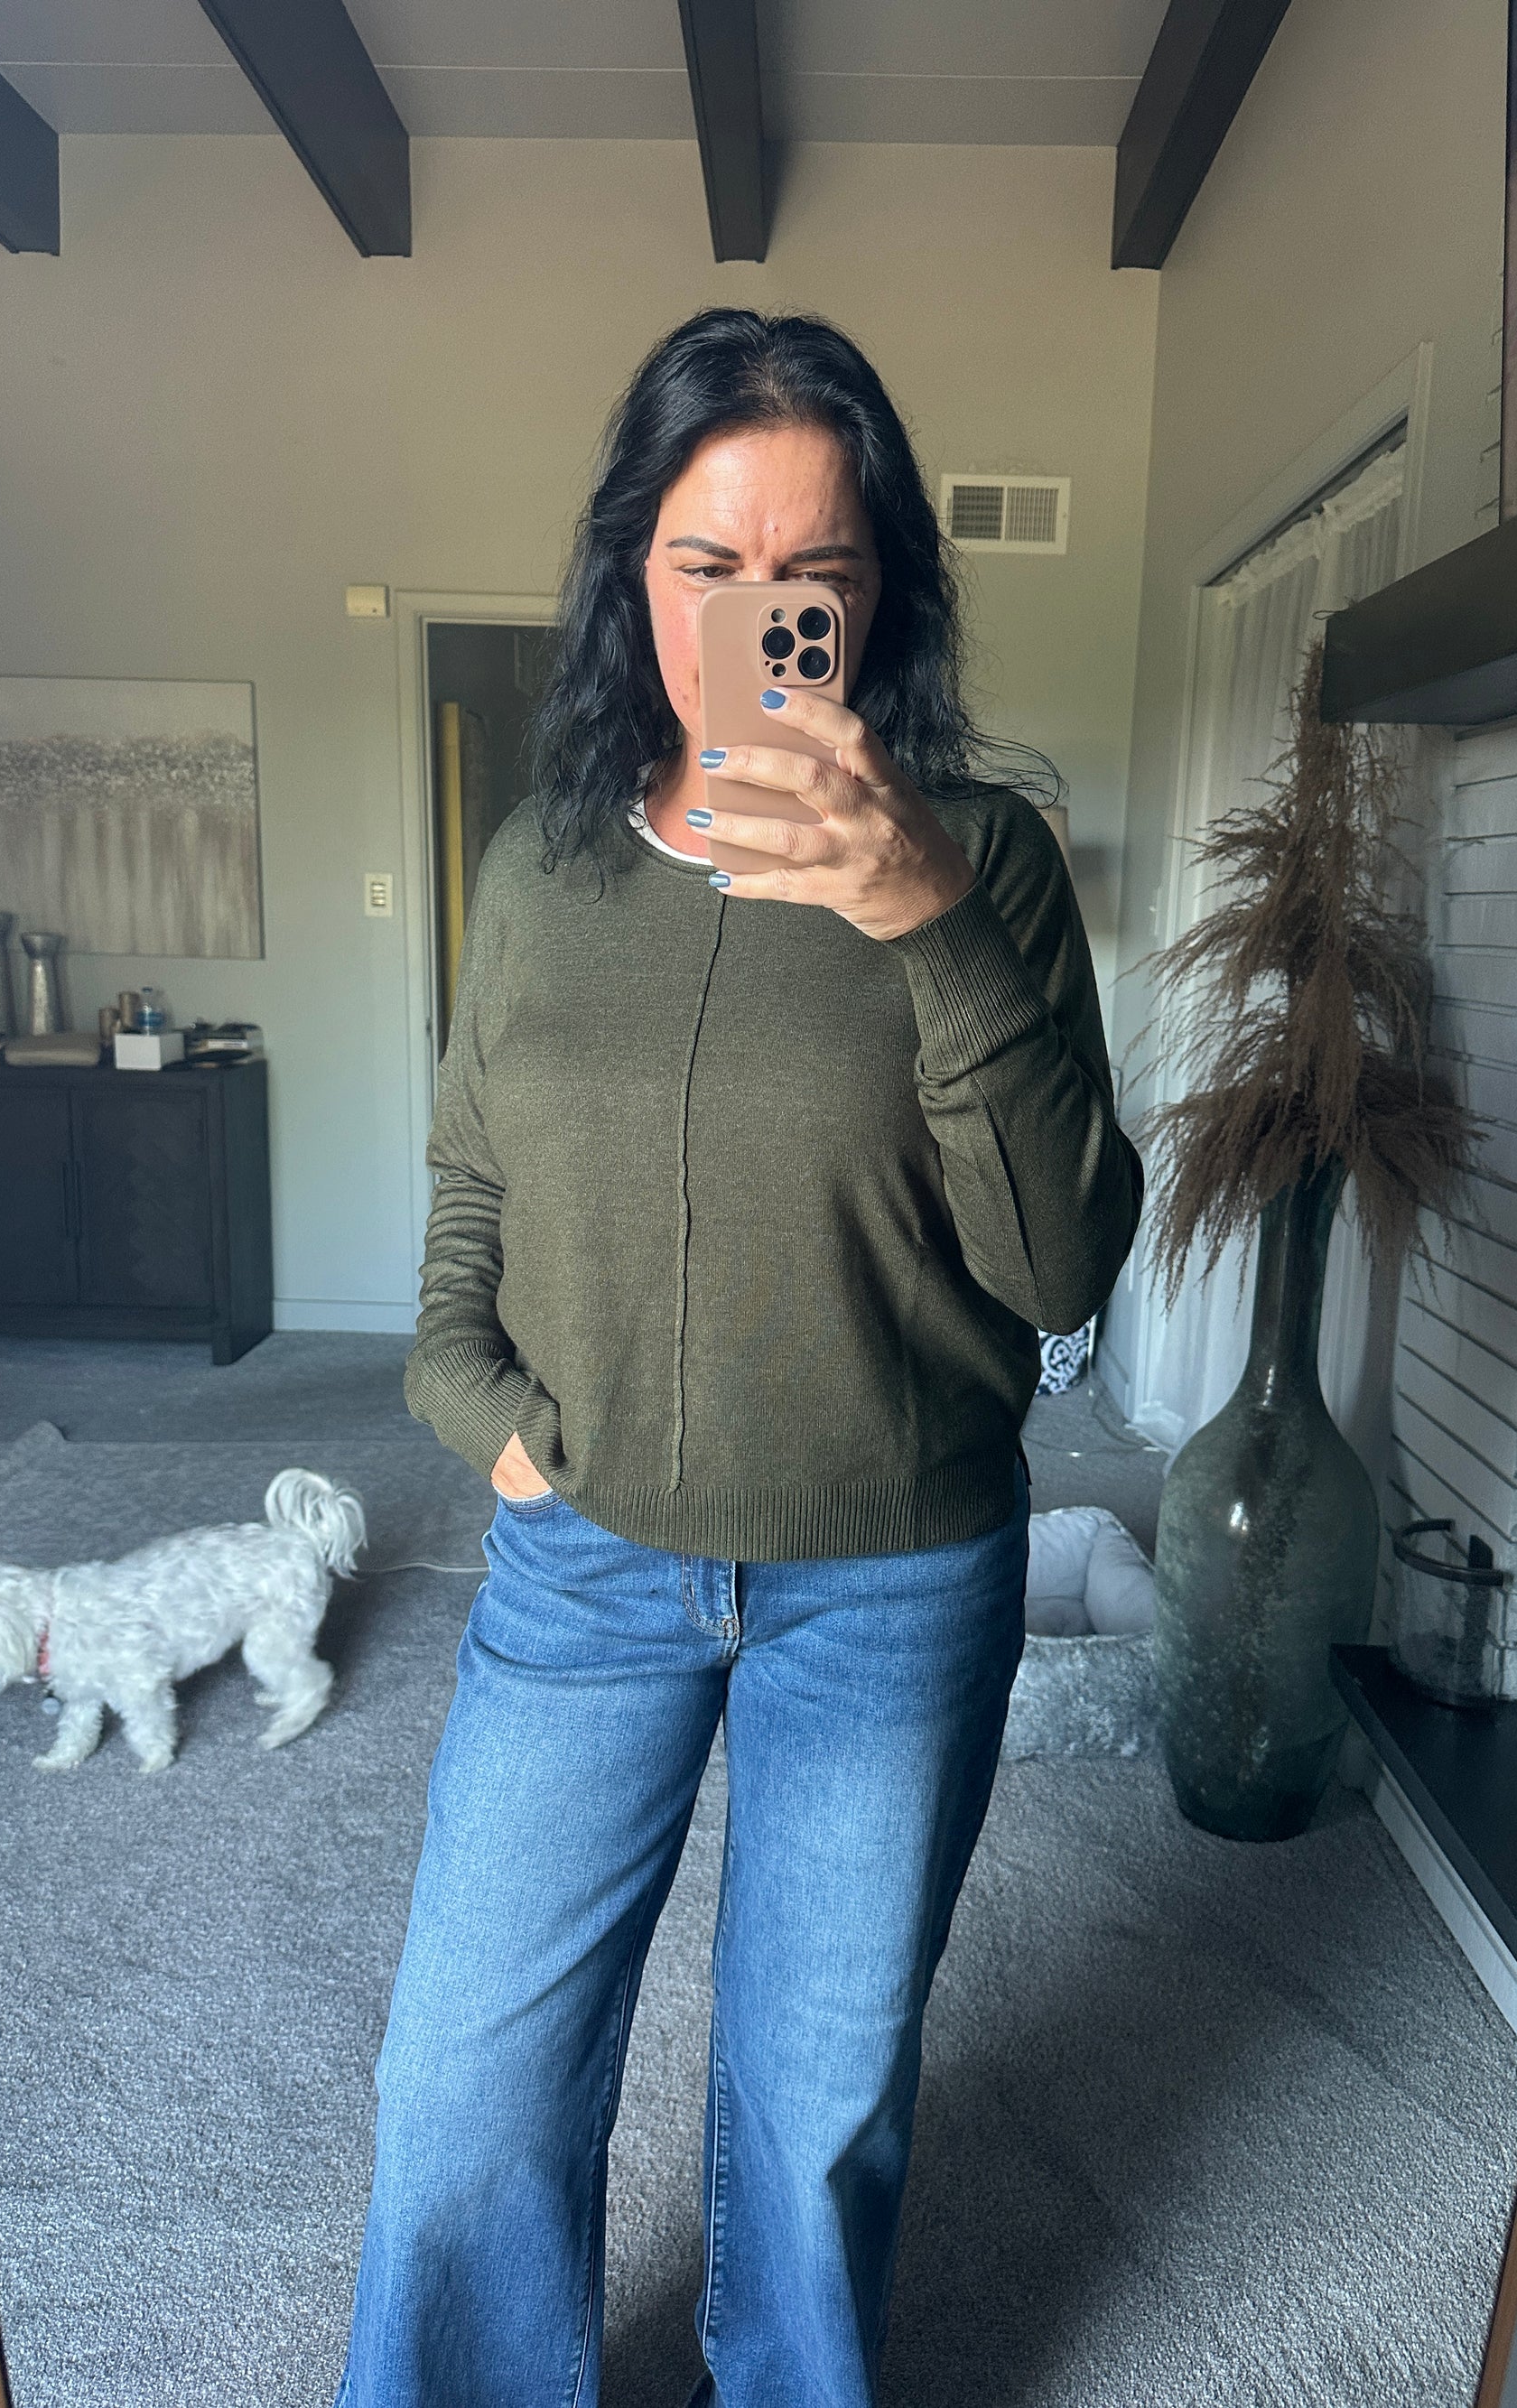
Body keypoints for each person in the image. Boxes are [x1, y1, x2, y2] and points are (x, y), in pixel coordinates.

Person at [333, 307, 1143, 2408]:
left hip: (889, 1582)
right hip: (583, 1564)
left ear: (877, 599)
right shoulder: (540, 872)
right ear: (634, 573)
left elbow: (1064, 1266)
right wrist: (477, 1410)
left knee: (816, 2112)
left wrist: (928, 918)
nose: (757, 615)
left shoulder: (989, 860)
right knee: (461, 2089)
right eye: (706, 563)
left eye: (814, 574)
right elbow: (469, 1188)